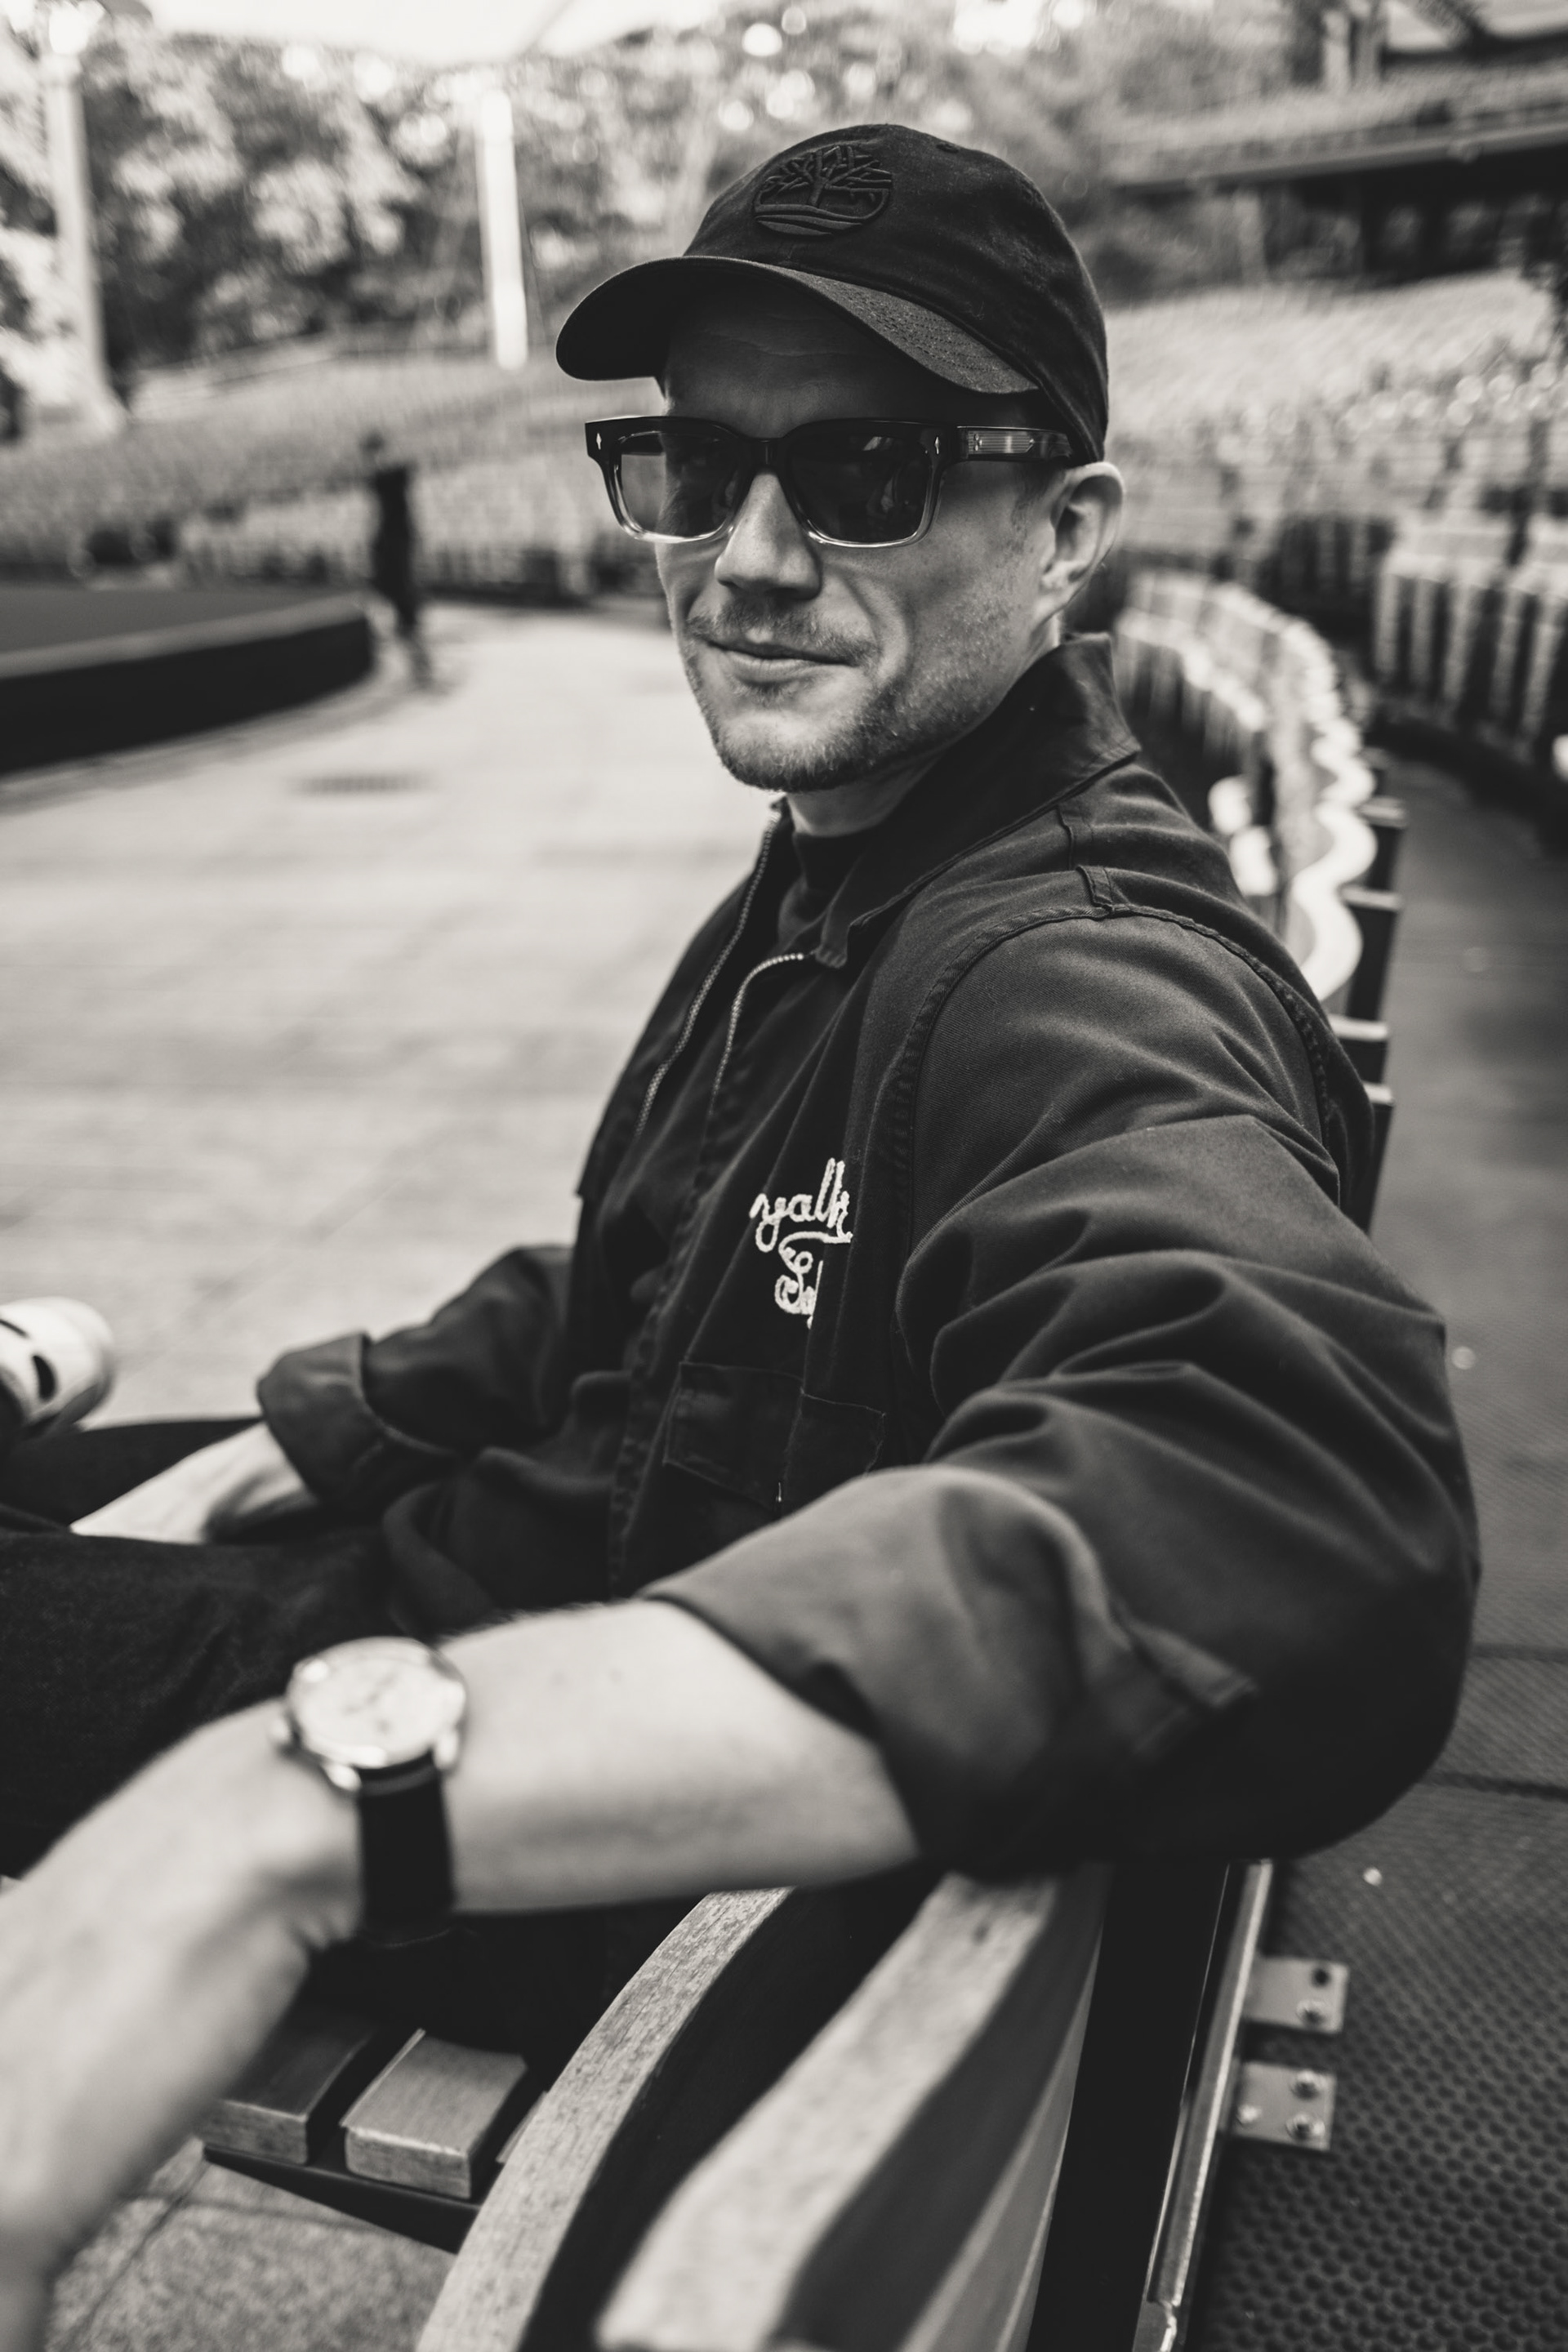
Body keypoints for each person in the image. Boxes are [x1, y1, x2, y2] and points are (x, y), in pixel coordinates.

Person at [0, 126, 1477, 2345]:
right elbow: (674, 1254)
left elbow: (1289, 1491)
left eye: (869, 471)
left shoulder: (1066, 967)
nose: (749, 558)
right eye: (698, 469)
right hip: (530, 1570)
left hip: (575, 1782)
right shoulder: (874, 840)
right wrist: (348, 1407)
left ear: (1069, 531)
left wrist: (313, 1803)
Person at [361, 430, 432, 684]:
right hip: (391, 544)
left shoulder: (394, 477)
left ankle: (419, 661)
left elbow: (396, 471)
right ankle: (417, 659)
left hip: (396, 544)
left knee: (402, 600)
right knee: (396, 600)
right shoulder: (382, 481)